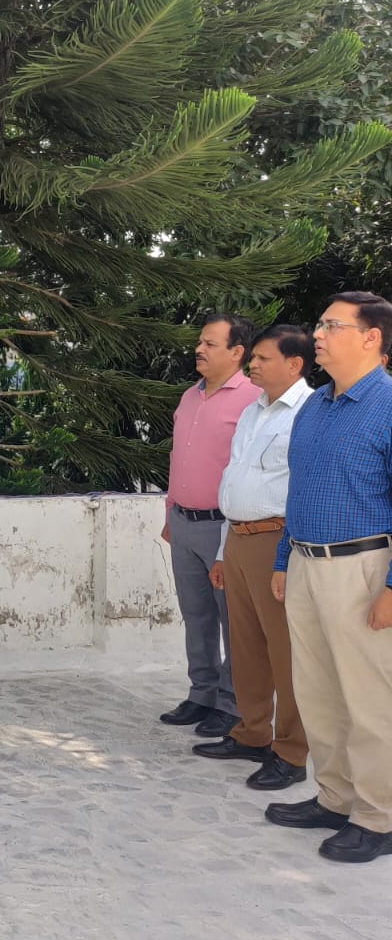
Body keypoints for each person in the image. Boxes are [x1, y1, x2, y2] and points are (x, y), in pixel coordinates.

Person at [265, 292, 392, 863]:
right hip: (305, 564)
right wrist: (283, 561)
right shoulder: (315, 405)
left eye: (332, 325)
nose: (318, 333)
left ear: (371, 337)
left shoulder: (388, 404)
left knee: (370, 699)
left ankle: (379, 817)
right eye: (319, 324)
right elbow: (300, 490)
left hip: (363, 568)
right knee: (318, 693)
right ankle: (336, 798)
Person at [199, 325, 312, 789]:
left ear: (295, 364)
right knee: (245, 647)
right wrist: (222, 552)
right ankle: (251, 732)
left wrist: (285, 557)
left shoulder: (308, 412)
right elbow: (236, 478)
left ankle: (291, 751)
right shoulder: (252, 411)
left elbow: (302, 489)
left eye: (264, 358)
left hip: (276, 540)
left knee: (285, 651)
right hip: (239, 539)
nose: (254, 364)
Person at [159, 314, 260, 737]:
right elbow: (177, 457)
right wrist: (170, 511)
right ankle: (201, 693)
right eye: (200, 342)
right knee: (196, 615)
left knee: (233, 619)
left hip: (224, 528)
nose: (199, 349)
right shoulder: (190, 396)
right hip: (183, 522)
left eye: (210, 344)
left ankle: (232, 702)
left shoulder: (254, 400)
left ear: (237, 352)